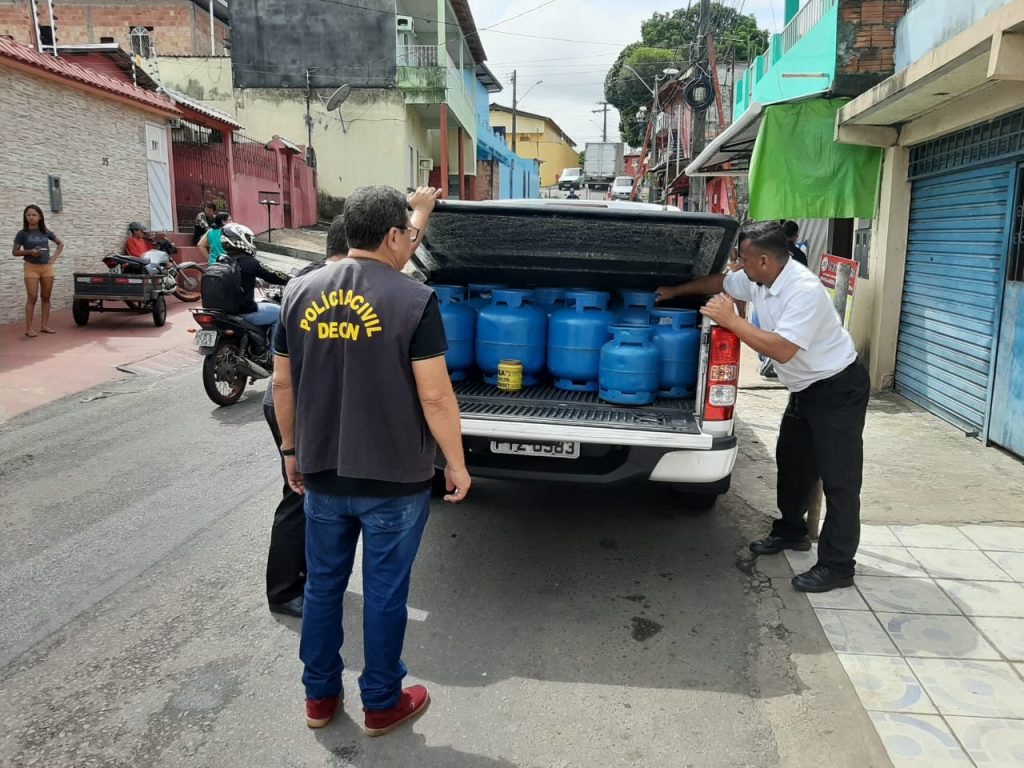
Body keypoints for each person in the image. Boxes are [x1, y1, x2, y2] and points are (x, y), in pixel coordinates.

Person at [272, 185, 471, 734]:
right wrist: (455, 463)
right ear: (390, 236)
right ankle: (382, 703)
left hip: (323, 472)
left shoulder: (298, 292)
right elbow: (434, 396)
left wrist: (291, 450)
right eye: (408, 233)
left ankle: (319, 699)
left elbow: (282, 383)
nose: (412, 241)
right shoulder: (414, 301)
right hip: (395, 481)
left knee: (323, 586)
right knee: (385, 594)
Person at [657, 223, 869, 594]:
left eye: (743, 259)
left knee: (840, 481)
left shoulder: (803, 290)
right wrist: (675, 291)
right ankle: (791, 530)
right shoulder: (759, 280)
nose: (738, 265)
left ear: (765, 260)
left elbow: (782, 349)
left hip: (837, 387)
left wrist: (733, 321)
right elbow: (719, 283)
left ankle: (838, 566)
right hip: (805, 387)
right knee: (793, 464)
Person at [262, 207, 347, 619]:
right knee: (297, 496)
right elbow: (283, 380)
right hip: (291, 400)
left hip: (294, 397)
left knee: (309, 493)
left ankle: (311, 577)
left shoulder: (310, 276)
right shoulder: (327, 288)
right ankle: (282, 591)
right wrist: (289, 447)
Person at [219, 222, 289, 340]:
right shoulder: (249, 262)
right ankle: (275, 354)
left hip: (219, 311)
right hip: (243, 312)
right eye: (249, 239)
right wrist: (291, 279)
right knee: (280, 314)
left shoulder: (221, 260)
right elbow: (272, 275)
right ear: (241, 240)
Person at [13, 204, 64, 337]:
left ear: (40, 217)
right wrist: (30, 252)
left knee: (46, 297)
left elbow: (60, 244)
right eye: (28, 215)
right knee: (32, 296)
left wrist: (53, 258)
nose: (31, 217)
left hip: (46, 267)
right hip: (31, 267)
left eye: (34, 215)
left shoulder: (46, 232)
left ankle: (44, 326)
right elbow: (15, 252)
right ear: (25, 217)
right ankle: (29, 328)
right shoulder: (22, 233)